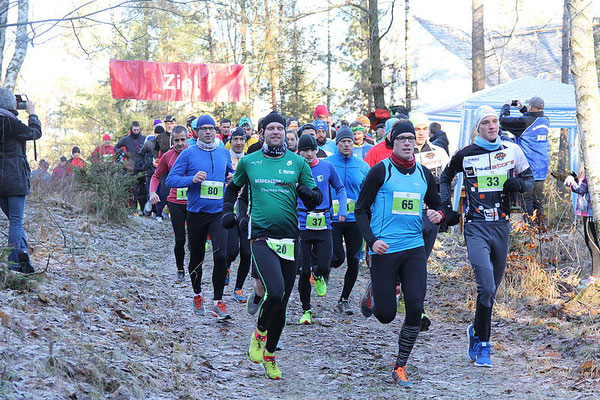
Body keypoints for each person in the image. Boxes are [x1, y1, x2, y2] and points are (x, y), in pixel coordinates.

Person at [222, 111, 322, 380]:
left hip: (290, 238)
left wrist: (303, 191)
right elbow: (233, 190)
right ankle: (259, 335)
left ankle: (270, 356)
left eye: (280, 128)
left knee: (282, 304)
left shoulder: (298, 163)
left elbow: (316, 199)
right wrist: (230, 213)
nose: (276, 132)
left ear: (286, 132)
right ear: (262, 131)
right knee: (275, 292)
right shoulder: (250, 162)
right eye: (270, 128)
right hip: (260, 237)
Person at [439, 105, 534, 368]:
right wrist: (446, 208)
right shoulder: (466, 154)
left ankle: (475, 331)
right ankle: (484, 347)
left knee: (490, 293)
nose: (492, 126)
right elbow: (445, 178)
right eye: (486, 123)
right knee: (486, 287)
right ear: (477, 128)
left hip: (501, 226)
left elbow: (530, 178)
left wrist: (520, 186)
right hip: (476, 226)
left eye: (494, 122)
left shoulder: (512, 150)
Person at [356, 120, 447, 386]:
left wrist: (438, 213)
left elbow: (438, 203)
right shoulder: (379, 172)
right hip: (384, 249)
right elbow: (360, 210)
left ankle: (400, 366)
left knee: (416, 308)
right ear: (392, 142)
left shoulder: (423, 173)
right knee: (385, 315)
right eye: (402, 139)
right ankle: (375, 289)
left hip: (413, 248)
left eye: (411, 138)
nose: (408, 143)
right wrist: (371, 241)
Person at [166, 115, 234, 321]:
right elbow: (170, 180)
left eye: (211, 128)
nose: (207, 132)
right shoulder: (188, 154)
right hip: (196, 213)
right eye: (203, 128)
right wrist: (191, 180)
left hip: (218, 213)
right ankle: (197, 294)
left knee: (222, 256)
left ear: (216, 130)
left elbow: (229, 173)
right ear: (196, 132)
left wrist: (231, 177)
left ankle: (217, 301)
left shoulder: (224, 152)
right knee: (197, 258)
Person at [296, 134, 347, 324]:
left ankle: (318, 275)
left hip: (324, 222)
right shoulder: (295, 169)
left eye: (311, 150)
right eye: (305, 151)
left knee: (325, 265)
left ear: (316, 149)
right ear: (299, 152)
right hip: (302, 223)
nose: (309, 154)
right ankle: (306, 311)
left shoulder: (327, 167)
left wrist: (341, 209)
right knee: (303, 270)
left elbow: (340, 189)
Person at [326, 126, 370, 314]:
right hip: (333, 218)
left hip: (354, 219)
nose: (346, 145)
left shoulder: (362, 166)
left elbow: (369, 192)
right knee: (336, 257)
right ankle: (322, 269)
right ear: (337, 144)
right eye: (343, 141)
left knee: (353, 260)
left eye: (349, 142)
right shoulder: (327, 163)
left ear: (354, 144)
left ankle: (344, 299)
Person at [0, 88, 41, 273]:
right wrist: (32, 113)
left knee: (15, 221)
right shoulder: (10, 122)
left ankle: (23, 255)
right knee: (16, 221)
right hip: (14, 180)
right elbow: (34, 133)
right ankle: (15, 262)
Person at [499, 97, 549, 221]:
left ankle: (529, 230)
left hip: (527, 169)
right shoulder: (545, 120)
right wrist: (522, 109)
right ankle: (540, 230)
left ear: (531, 107)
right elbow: (532, 118)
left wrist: (506, 106)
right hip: (541, 168)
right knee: (537, 202)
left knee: (526, 202)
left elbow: (503, 121)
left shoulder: (525, 122)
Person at [150, 126, 189, 282]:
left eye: (182, 140)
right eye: (176, 140)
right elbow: (156, 176)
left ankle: (195, 269)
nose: (179, 143)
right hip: (175, 202)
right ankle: (180, 270)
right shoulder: (167, 156)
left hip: (194, 202)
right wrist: (152, 192)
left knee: (195, 239)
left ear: (187, 139)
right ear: (172, 140)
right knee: (180, 239)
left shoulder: (195, 152)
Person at [410, 112, 450, 259]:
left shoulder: (438, 152)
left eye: (424, 129)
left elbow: (452, 179)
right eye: (417, 129)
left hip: (431, 210)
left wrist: (437, 181)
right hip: (409, 210)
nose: (421, 133)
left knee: (423, 257)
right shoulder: (404, 152)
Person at [225, 127, 252, 303]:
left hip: (246, 210)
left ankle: (239, 288)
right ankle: (226, 266)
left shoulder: (250, 160)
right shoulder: (224, 156)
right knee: (232, 251)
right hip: (228, 209)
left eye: (241, 139)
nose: (238, 142)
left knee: (246, 253)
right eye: (235, 139)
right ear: (231, 141)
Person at [565, 170, 599, 288]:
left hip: (590, 212)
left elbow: (582, 189)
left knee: (592, 242)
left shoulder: (591, 166)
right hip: (591, 211)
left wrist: (570, 181)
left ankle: (595, 276)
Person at [116, 121, 147, 211]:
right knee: (133, 189)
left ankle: (143, 210)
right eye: (134, 130)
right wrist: (123, 153)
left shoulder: (144, 139)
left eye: (138, 130)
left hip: (142, 167)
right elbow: (116, 147)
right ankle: (133, 209)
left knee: (143, 189)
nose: (136, 131)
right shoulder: (126, 139)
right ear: (131, 129)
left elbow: (151, 148)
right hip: (131, 168)